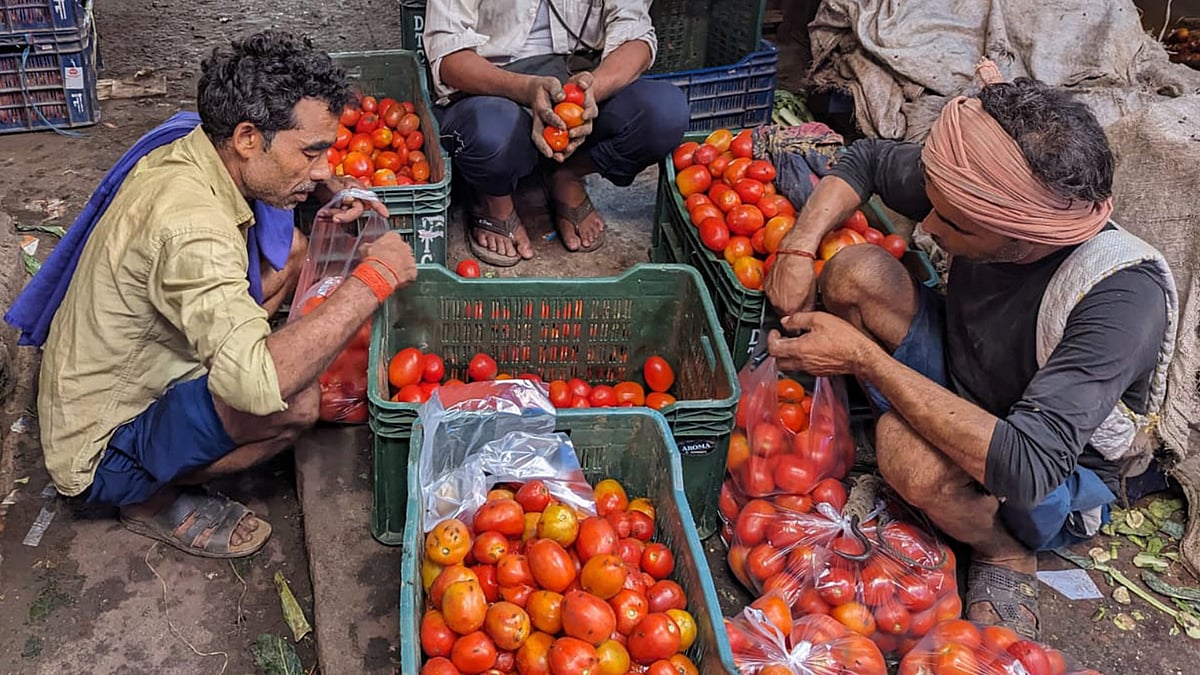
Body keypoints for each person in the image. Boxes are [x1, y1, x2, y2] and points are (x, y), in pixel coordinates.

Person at [764, 65, 1177, 639]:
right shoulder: (982, 191)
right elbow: (866, 161)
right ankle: (917, 452)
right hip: (964, 372)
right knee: (856, 271)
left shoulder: (1119, 299)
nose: (928, 227)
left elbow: (1027, 465)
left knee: (905, 451)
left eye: (952, 224)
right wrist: (797, 247)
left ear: (1023, 240)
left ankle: (1004, 552)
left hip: (1047, 469)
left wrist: (864, 358)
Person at [7, 31, 418, 558]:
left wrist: (324, 187)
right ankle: (146, 495)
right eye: (312, 153)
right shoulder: (192, 231)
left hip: (127, 365)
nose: (323, 168)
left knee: (291, 253)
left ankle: (173, 437)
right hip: (100, 444)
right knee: (296, 402)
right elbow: (259, 384)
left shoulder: (195, 144)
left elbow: (287, 186)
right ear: (248, 137)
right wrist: (374, 280)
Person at [424, 0, 690, 266]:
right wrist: (525, 89)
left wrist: (590, 91)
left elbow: (637, 35)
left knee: (662, 114)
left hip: (579, 75)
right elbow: (448, 55)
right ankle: (493, 199)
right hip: (493, 85)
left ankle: (567, 173)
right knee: (489, 137)